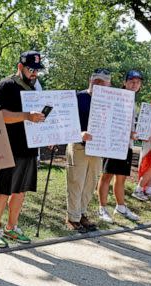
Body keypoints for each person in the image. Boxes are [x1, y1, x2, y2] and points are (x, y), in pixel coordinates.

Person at [0, 50, 46, 247]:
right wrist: (26, 116)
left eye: (37, 70)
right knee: (3, 190)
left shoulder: (36, 89)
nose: (34, 74)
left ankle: (11, 228)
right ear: (20, 67)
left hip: (29, 147)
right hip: (7, 146)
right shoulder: (6, 85)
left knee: (20, 192)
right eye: (31, 69)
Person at [65, 68, 112, 233]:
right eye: (96, 80)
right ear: (90, 80)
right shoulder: (77, 97)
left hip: (98, 148)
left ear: (109, 84)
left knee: (90, 184)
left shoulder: (111, 101)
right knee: (76, 182)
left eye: (103, 81)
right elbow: (65, 121)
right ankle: (73, 217)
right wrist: (79, 133)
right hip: (78, 145)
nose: (98, 83)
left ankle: (82, 213)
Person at [97, 70, 144, 223]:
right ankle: (102, 208)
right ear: (125, 82)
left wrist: (134, 133)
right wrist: (126, 133)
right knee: (106, 176)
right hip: (113, 144)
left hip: (127, 146)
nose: (134, 84)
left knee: (122, 178)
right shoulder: (117, 97)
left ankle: (121, 206)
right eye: (131, 81)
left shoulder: (133, 100)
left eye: (137, 82)